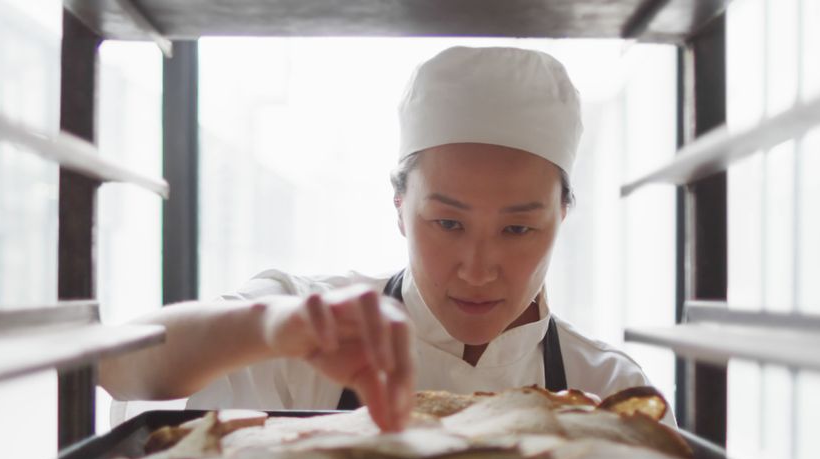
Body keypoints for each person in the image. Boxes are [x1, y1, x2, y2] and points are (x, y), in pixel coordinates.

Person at [100, 46, 669, 432]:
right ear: (400, 207)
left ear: (563, 217)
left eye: (518, 228)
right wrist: (268, 328)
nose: (477, 268)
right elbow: (117, 369)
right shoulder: (310, 334)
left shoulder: (611, 390)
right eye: (447, 223)